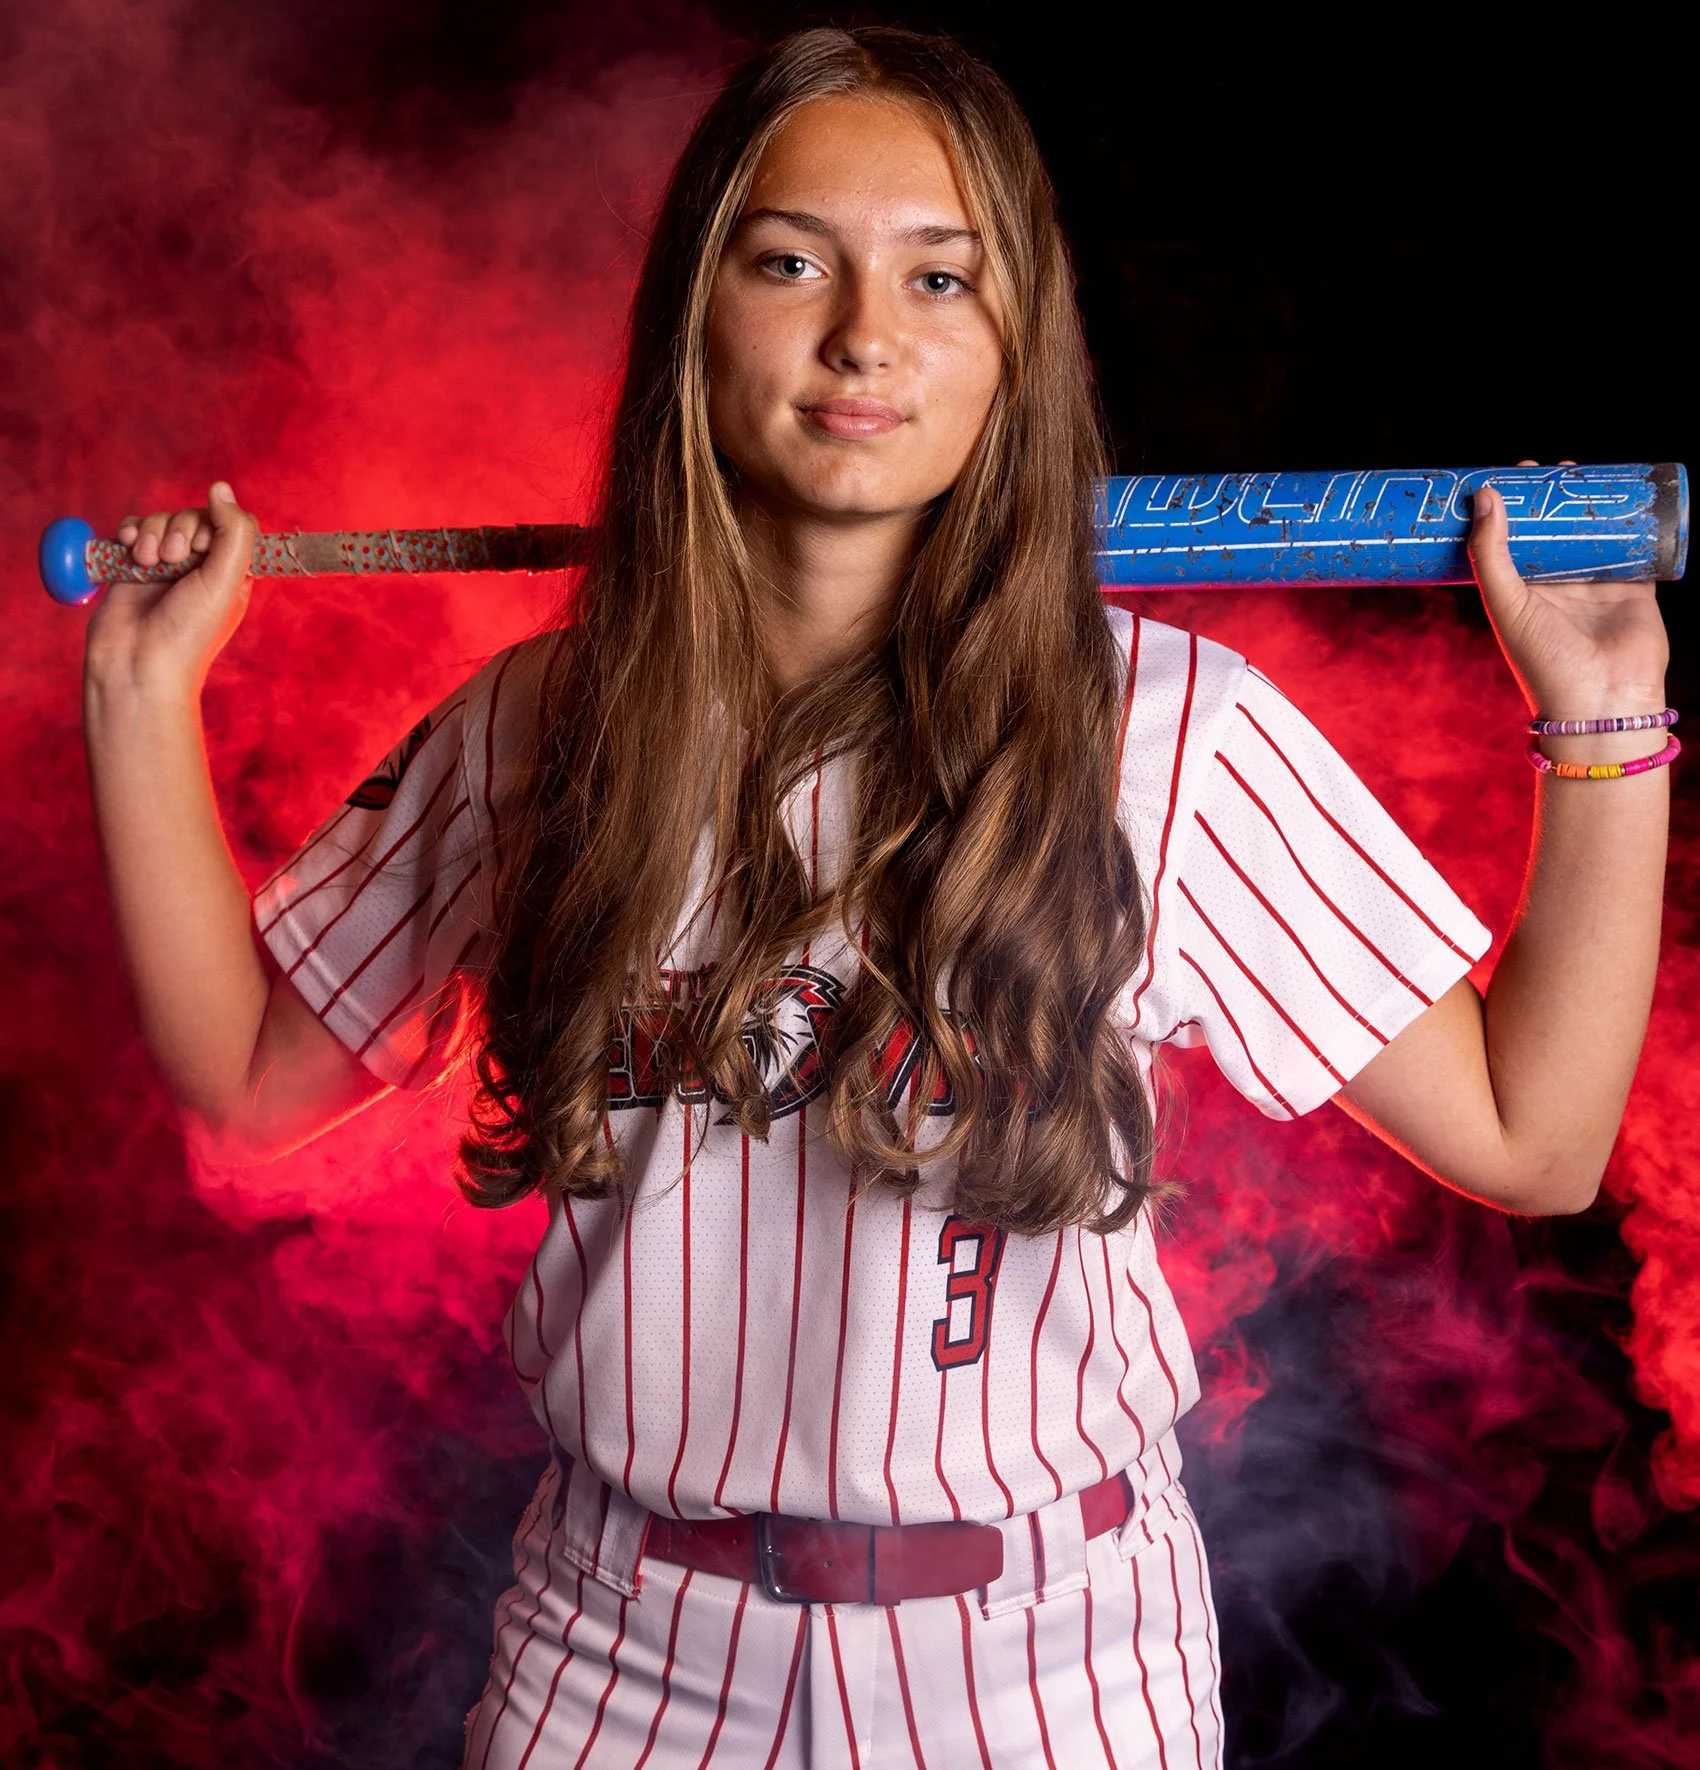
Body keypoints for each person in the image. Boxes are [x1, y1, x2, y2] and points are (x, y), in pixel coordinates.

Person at [80, 26, 1671, 1770]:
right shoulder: (540, 727)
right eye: (790, 263)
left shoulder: (1169, 730)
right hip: (620, 1659)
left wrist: (1606, 714)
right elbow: (250, 1082)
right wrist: (141, 696)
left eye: (940, 276)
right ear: (697, 315)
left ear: (1015, 343)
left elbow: (1533, 1135)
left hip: (1049, 1665)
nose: (864, 336)